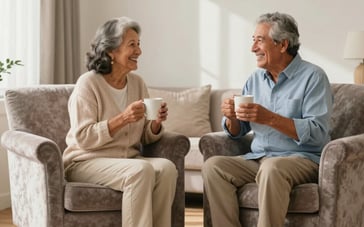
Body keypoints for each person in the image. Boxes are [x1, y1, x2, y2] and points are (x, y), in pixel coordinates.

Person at [201, 12, 333, 227]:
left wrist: (270, 118)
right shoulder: (255, 78)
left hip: (302, 159)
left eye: (259, 41)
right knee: (214, 167)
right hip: (260, 157)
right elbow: (239, 131)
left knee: (272, 168)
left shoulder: (313, 77)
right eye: (253, 40)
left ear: (283, 44)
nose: (253, 48)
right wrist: (231, 117)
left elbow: (318, 133)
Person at [63, 16, 177, 227]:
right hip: (85, 161)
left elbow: (144, 135)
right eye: (132, 45)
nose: (139, 51)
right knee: (140, 171)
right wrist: (122, 119)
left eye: (139, 44)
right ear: (111, 51)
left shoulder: (137, 83)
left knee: (167, 168)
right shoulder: (88, 84)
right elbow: (83, 138)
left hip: (127, 160)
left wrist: (155, 124)